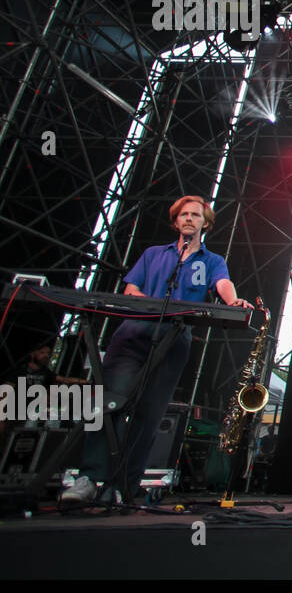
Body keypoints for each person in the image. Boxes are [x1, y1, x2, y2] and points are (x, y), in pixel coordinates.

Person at [60, 195, 253, 504]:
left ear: (207, 224)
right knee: (109, 406)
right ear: (176, 222)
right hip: (132, 337)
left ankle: (123, 485)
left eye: (196, 215)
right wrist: (138, 299)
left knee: (149, 414)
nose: (189, 218)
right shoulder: (153, 254)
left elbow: (223, 284)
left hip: (173, 341)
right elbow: (131, 288)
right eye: (184, 215)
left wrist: (233, 302)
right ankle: (89, 478)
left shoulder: (212, 261)